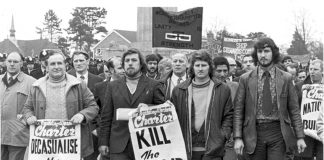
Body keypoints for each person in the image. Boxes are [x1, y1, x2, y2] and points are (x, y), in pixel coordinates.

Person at [233, 37, 306, 160]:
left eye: (266, 51)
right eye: (260, 51)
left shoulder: (286, 78)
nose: (263, 55)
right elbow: (238, 110)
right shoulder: (245, 79)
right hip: (253, 132)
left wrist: (300, 137)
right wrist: (238, 138)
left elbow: (294, 110)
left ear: (274, 53)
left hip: (278, 132)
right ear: (256, 54)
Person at [22, 51, 99, 158]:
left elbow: (93, 106)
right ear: (47, 67)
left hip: (70, 144)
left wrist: (82, 115)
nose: (56, 67)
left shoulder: (78, 85)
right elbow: (27, 108)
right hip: (44, 144)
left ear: (65, 65)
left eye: (59, 63)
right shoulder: (36, 86)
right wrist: (29, 116)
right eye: (52, 64)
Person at [98, 48, 165, 160]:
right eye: (127, 60)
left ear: (141, 64)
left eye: (134, 60)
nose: (130, 63)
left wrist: (149, 108)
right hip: (119, 145)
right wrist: (103, 142)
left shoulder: (154, 85)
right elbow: (106, 116)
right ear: (123, 64)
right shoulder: (112, 86)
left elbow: (164, 110)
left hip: (147, 144)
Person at [171, 50, 233, 160]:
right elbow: (172, 118)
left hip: (213, 149)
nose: (200, 68)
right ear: (192, 67)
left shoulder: (222, 89)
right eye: (197, 65)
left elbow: (228, 115)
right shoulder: (179, 90)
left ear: (210, 67)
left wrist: (222, 135)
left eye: (204, 65)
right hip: (186, 149)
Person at [67, 50, 103, 160]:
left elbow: (101, 106)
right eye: (75, 61)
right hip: (70, 126)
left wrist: (97, 127)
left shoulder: (98, 80)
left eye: (81, 60)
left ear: (88, 61)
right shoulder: (65, 78)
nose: (78, 63)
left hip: (91, 128)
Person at [0, 52, 36, 160]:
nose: (12, 64)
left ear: (21, 64)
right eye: (9, 61)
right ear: (5, 63)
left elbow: (36, 107)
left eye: (15, 62)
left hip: (18, 134)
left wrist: (27, 120)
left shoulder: (31, 82)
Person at [295, 59, 323, 160]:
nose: (312, 71)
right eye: (310, 69)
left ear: (322, 71)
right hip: (306, 132)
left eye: (315, 69)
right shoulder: (299, 86)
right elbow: (293, 107)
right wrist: (302, 93)